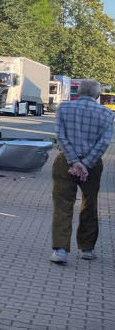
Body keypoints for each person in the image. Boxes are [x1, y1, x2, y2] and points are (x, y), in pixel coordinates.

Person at [51, 78, 113, 264]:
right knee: (90, 203)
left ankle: (60, 250)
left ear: (78, 92)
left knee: (63, 204)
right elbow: (104, 142)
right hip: (92, 166)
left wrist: (74, 161)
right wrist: (85, 163)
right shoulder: (107, 114)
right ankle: (87, 249)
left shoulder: (63, 108)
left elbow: (60, 135)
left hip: (65, 163)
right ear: (98, 94)